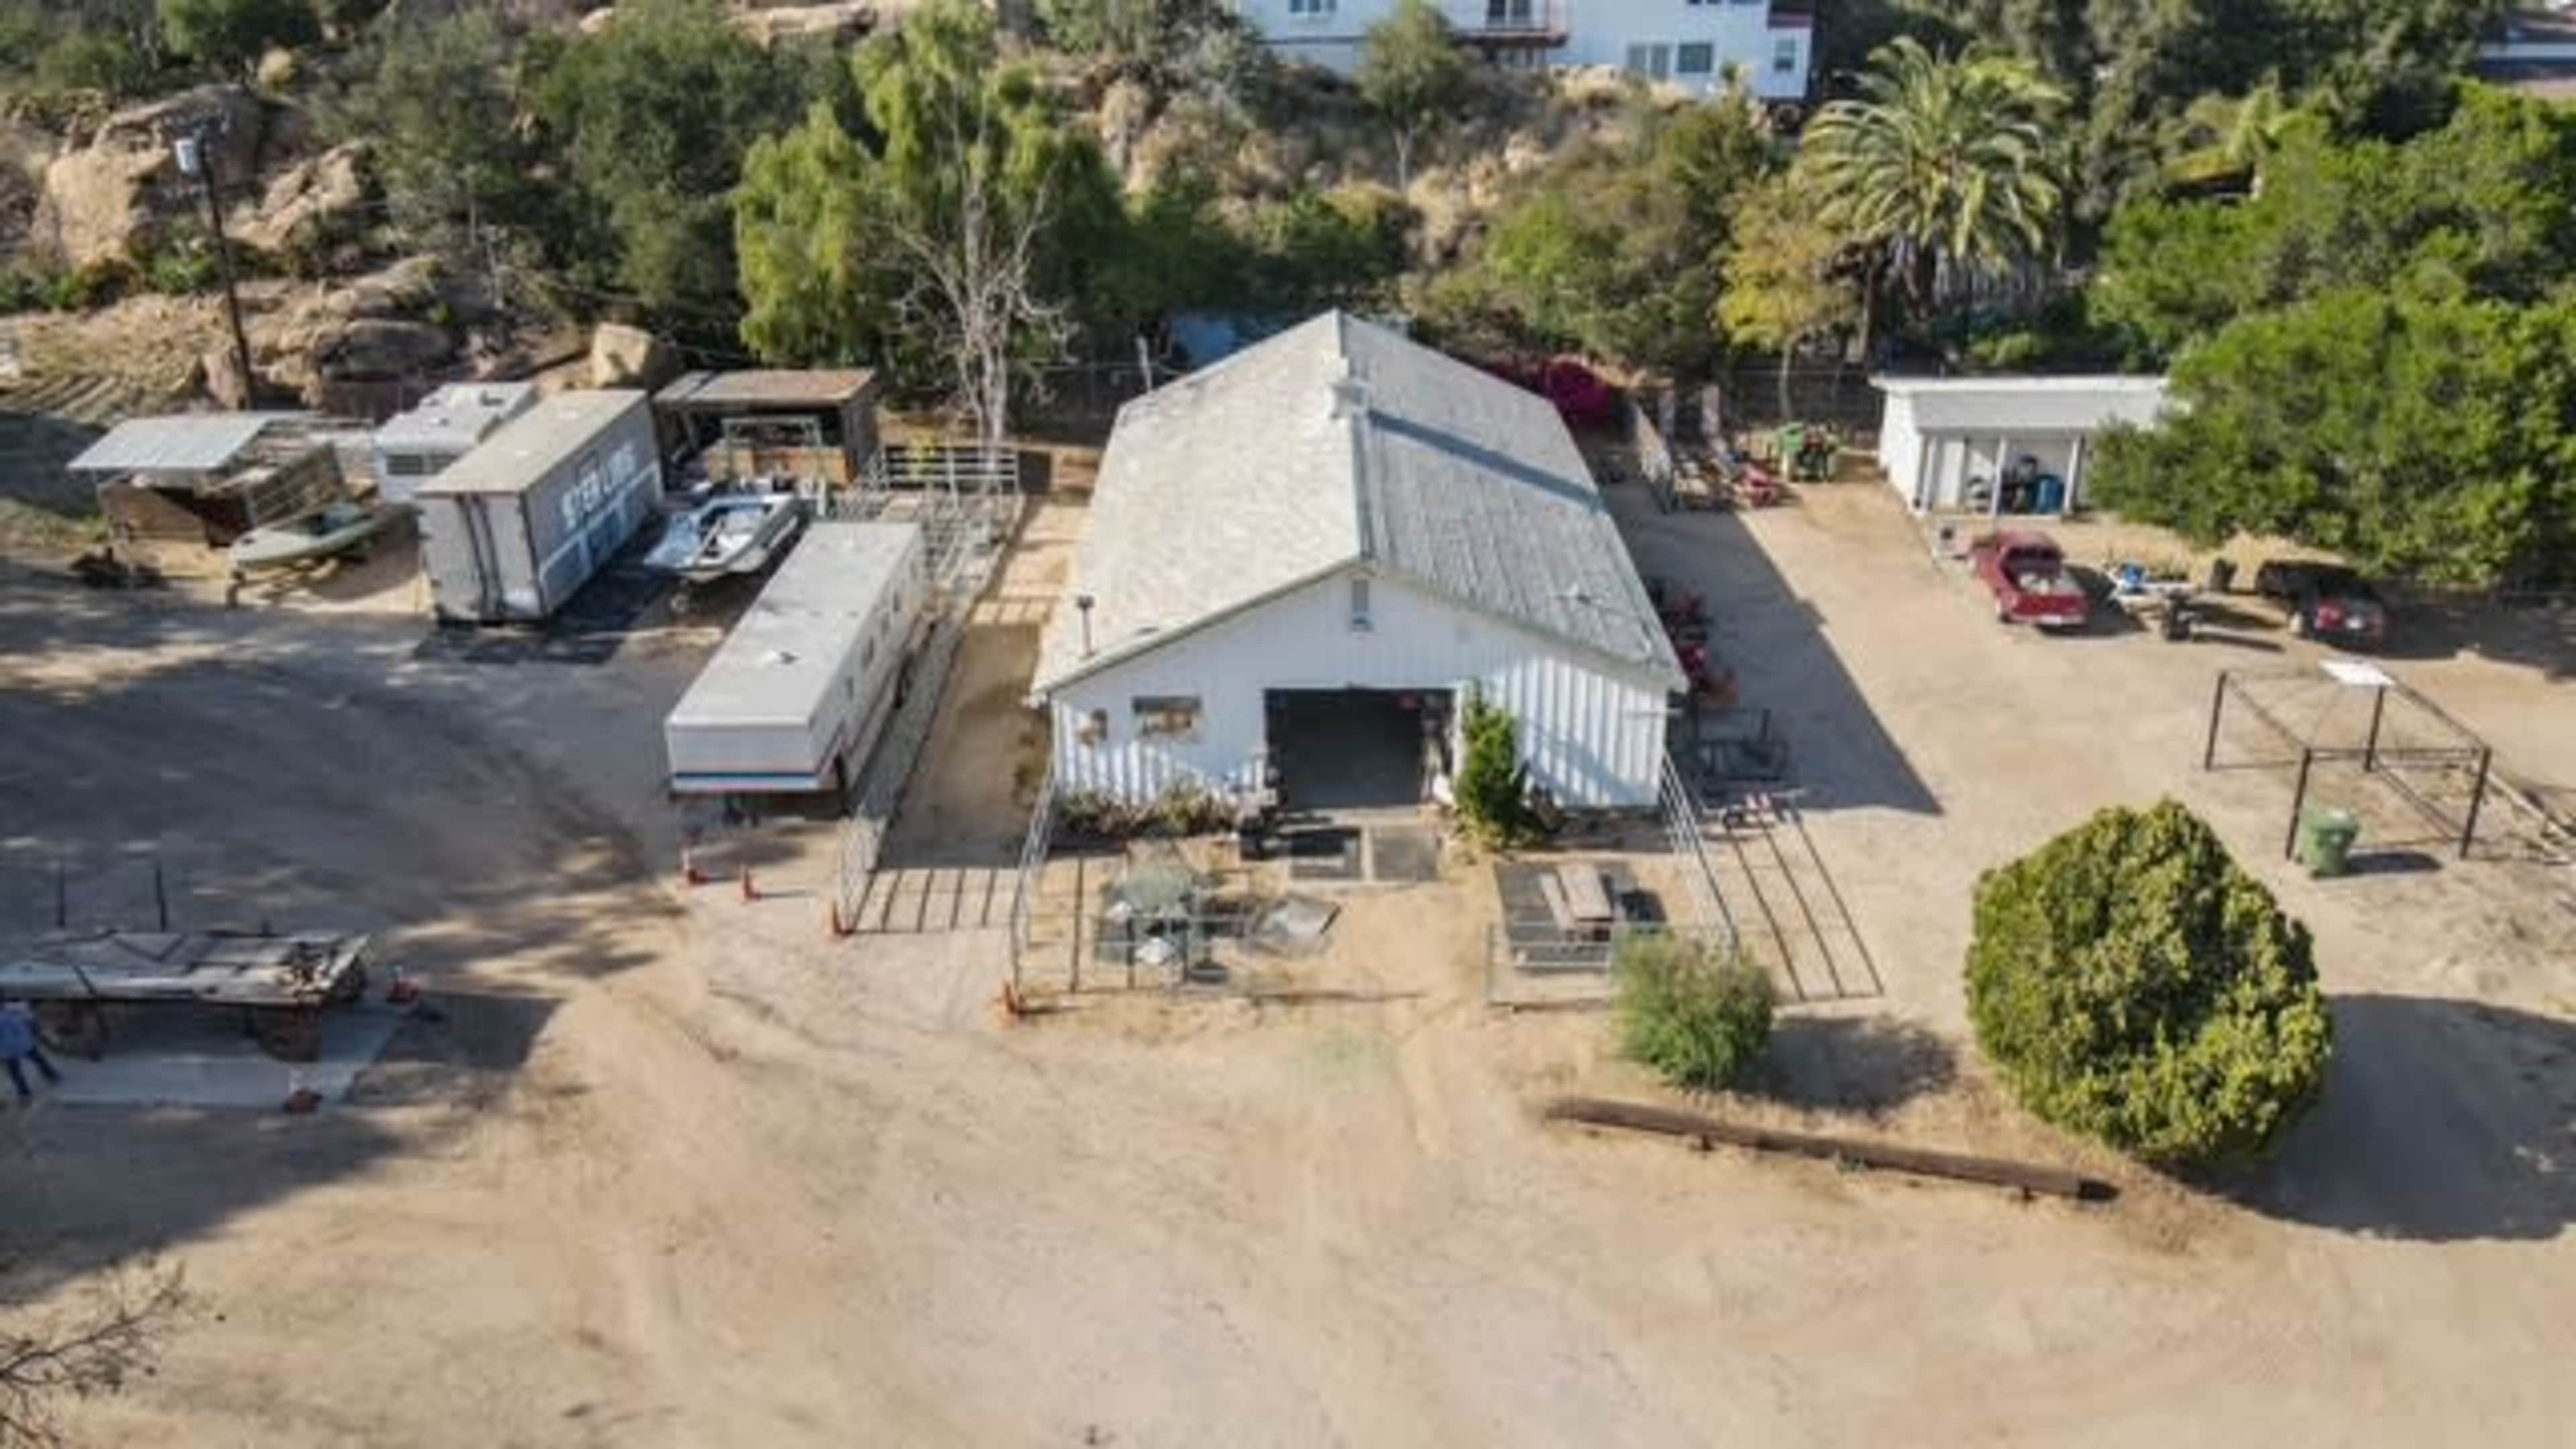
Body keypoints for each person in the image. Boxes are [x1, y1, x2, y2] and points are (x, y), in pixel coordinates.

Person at [1, 1000, 60, 1102]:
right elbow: (33, 1023)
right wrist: (46, 1036)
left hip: (9, 1048)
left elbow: (33, 1022)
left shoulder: (15, 1009)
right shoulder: (17, 1008)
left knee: (16, 1072)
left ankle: (24, 1093)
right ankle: (52, 1076)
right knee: (38, 1060)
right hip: (23, 1043)